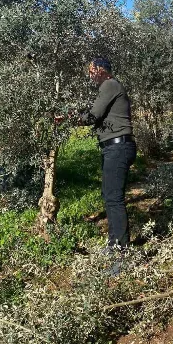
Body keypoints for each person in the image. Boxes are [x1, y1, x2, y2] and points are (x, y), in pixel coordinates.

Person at [72, 57, 137, 255]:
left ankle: (120, 250)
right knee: (110, 197)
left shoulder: (109, 84)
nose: (90, 75)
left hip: (118, 148)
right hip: (115, 147)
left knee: (114, 198)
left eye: (92, 70)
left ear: (102, 70)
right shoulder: (111, 86)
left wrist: (70, 118)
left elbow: (93, 116)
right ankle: (114, 244)